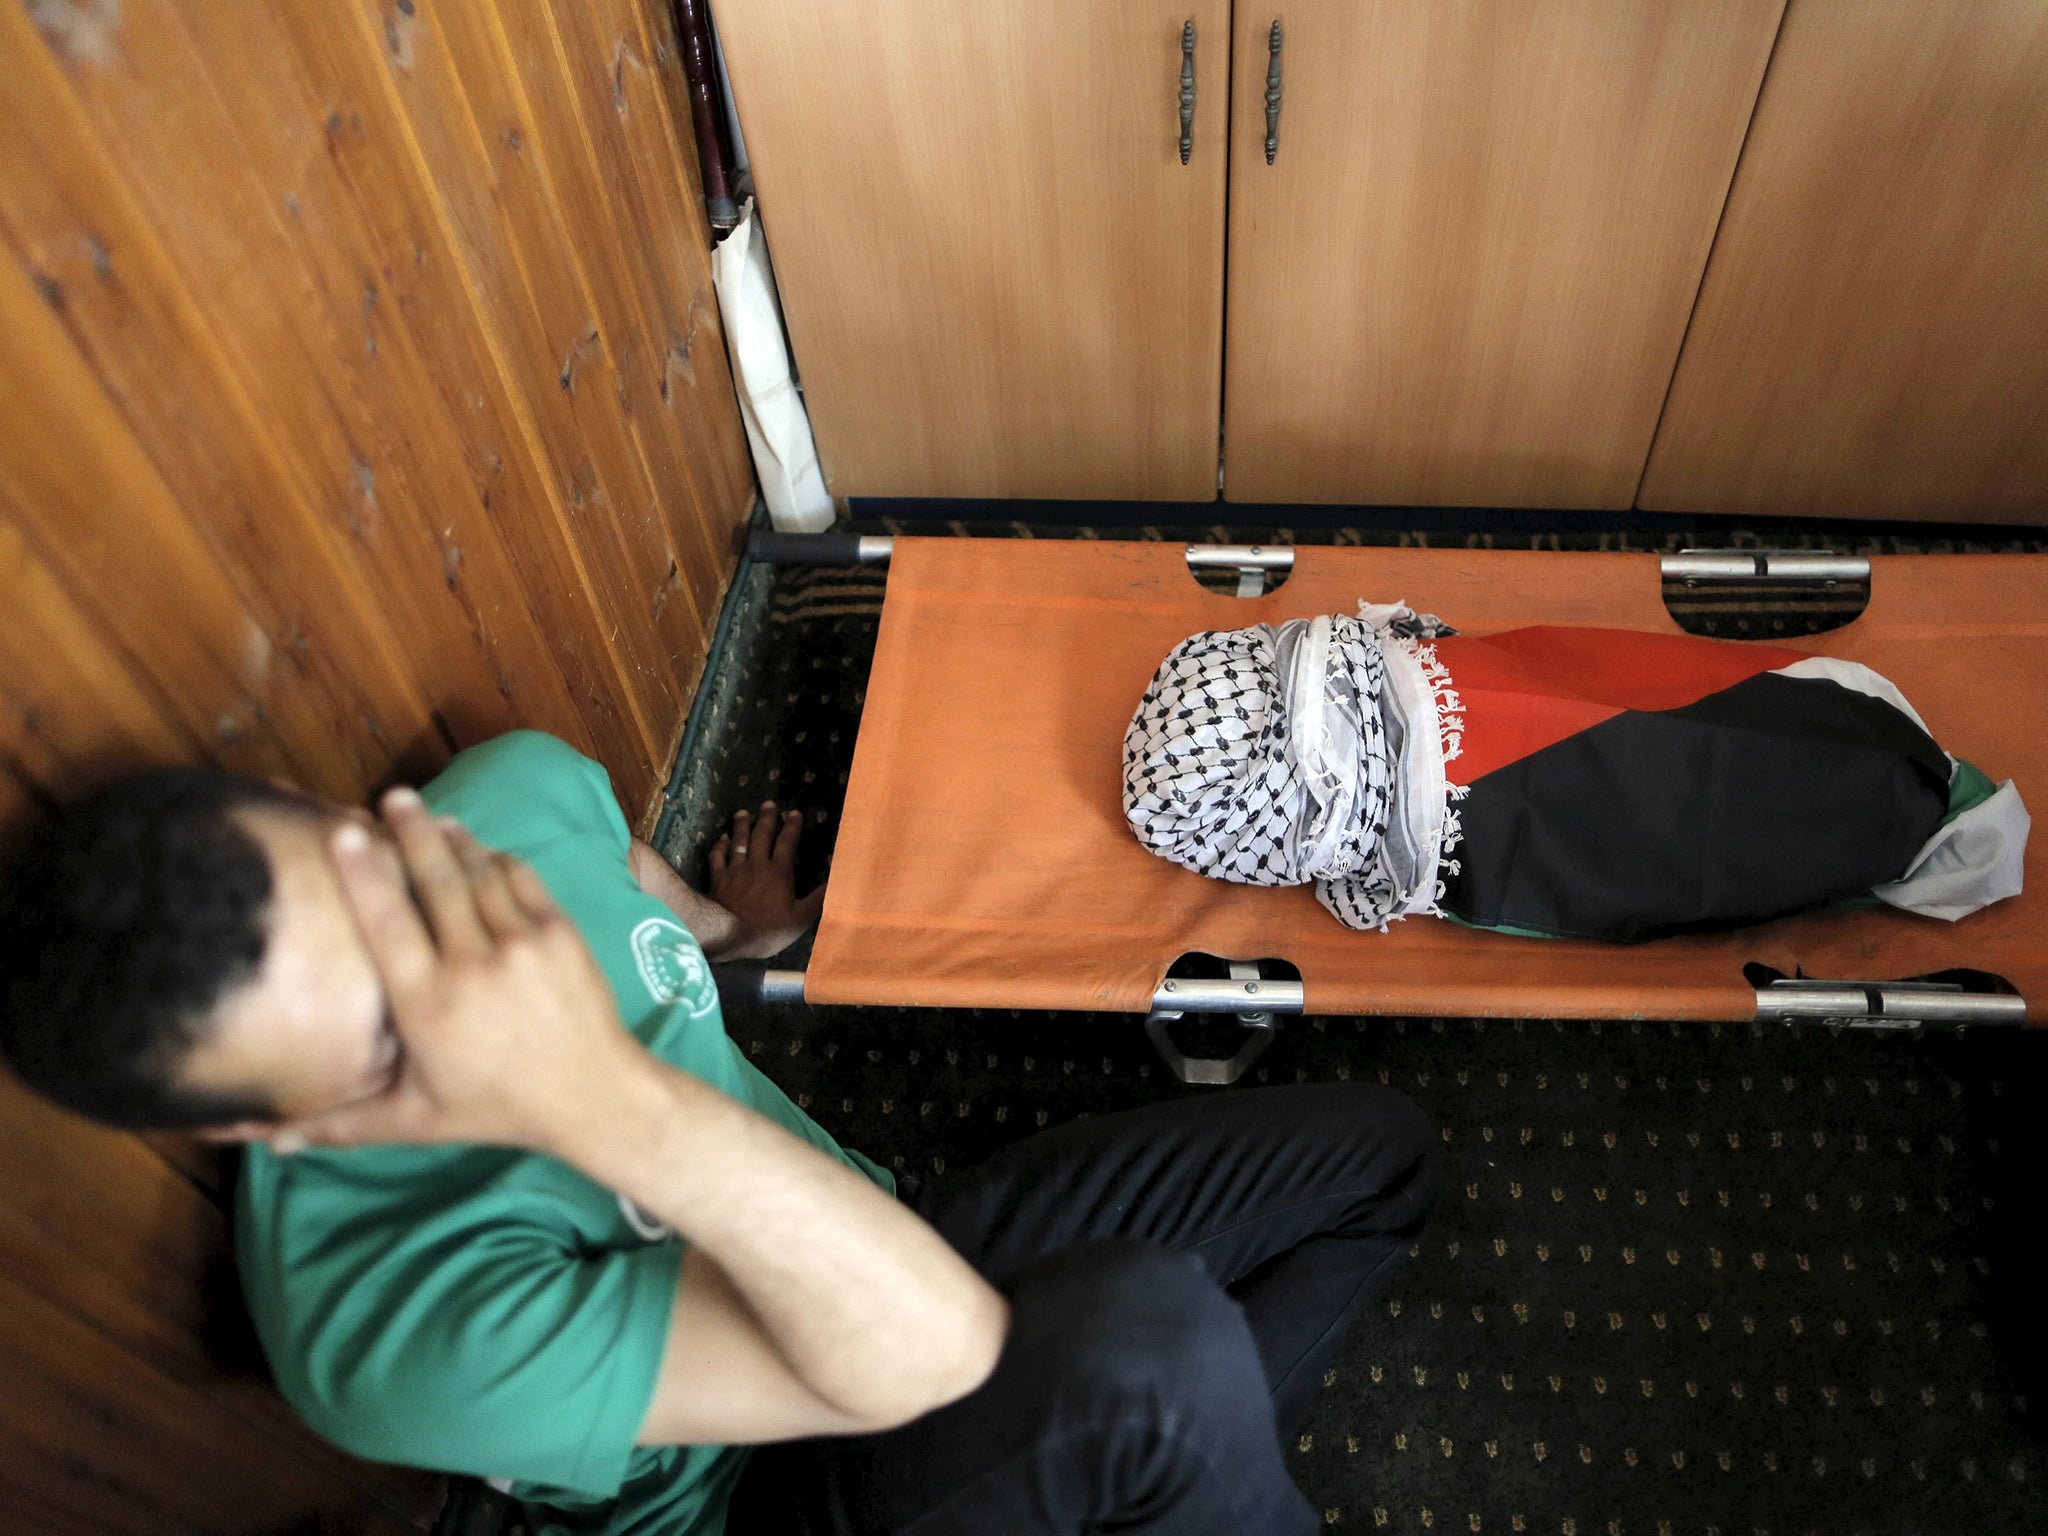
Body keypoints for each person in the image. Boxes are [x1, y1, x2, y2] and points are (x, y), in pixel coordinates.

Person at [0, 730, 1437, 1536]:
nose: (467, 985)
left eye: (392, 903)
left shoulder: (498, 799)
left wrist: (722, 928)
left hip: (879, 1222)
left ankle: (1150, 1491)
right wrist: (574, 1085)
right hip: (766, 1480)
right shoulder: (379, 1333)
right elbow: (925, 1359)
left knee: (1379, 1160)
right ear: (273, 1128)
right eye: (386, 1044)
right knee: (1150, 1365)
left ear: (347, 817)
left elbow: (614, 857)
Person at [1125, 606, 2028, 941]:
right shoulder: (1874, 725)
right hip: (1445, 740)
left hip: (1439, 761)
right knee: (1648, 773)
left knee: (1649, 765)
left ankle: (1882, 806)